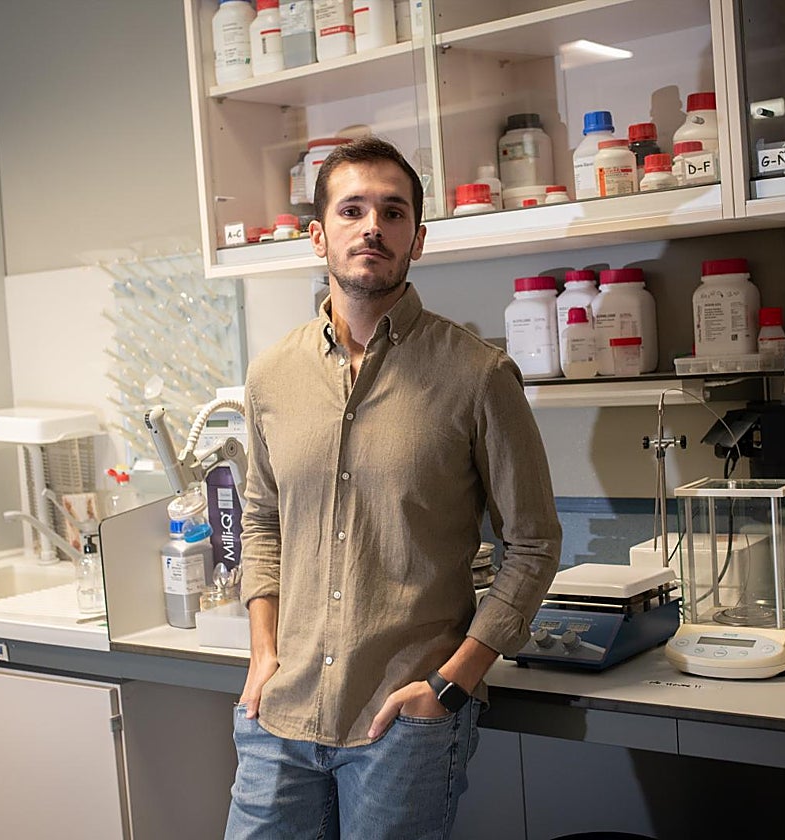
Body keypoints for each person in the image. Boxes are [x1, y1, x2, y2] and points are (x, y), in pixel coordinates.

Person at [226, 136, 561, 840]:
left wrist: (452, 684)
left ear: (418, 238)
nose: (372, 227)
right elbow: (261, 520)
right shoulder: (270, 376)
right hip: (279, 715)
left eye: (393, 211)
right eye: (352, 210)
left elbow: (531, 545)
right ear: (319, 235)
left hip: (403, 721)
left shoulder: (478, 375)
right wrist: (262, 657)